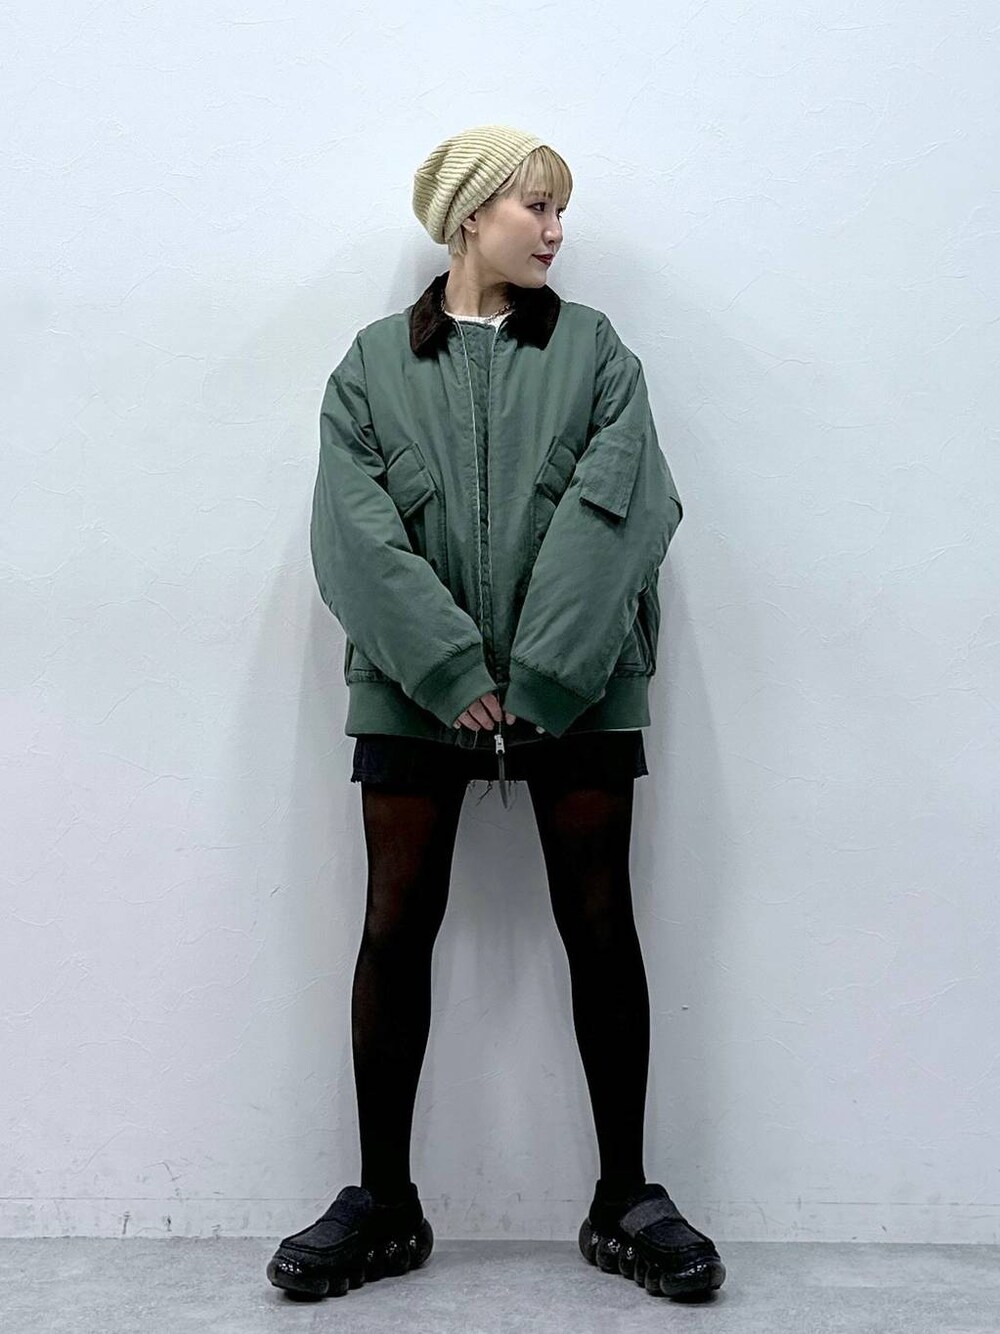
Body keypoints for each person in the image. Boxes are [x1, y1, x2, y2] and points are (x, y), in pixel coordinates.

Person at [266, 124, 726, 1303]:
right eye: (536, 205)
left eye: (559, 208)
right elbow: (350, 530)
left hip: (581, 686)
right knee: (392, 925)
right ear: (471, 215)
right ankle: (383, 1199)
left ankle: (625, 1194)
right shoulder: (371, 364)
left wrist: (544, 675)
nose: (556, 229)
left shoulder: (597, 351)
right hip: (412, 690)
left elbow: (626, 505)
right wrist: (445, 666)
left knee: (601, 922)